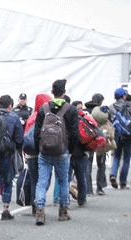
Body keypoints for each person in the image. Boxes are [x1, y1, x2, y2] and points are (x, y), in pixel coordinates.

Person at [33, 79, 79, 225]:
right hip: (62, 151)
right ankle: (63, 211)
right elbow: (74, 133)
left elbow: (36, 132)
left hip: (45, 152)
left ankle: (40, 210)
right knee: (63, 180)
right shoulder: (71, 110)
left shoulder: (43, 109)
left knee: (41, 182)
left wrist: (38, 148)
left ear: (52, 92)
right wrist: (70, 149)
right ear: (64, 92)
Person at [0, 95, 24, 220]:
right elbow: (20, 139)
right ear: (10, 106)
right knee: (7, 181)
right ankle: (5, 209)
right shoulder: (14, 118)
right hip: (7, 154)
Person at [24, 93, 52, 214]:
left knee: (35, 178)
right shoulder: (48, 117)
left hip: (30, 153)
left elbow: (25, 135)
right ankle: (39, 201)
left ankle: (34, 204)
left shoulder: (31, 117)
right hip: (44, 152)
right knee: (45, 179)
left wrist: (25, 153)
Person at [109, 88, 131, 190]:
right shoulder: (129, 106)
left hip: (116, 134)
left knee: (116, 156)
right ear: (124, 96)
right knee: (126, 158)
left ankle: (113, 174)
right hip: (127, 135)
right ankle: (123, 182)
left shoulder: (111, 107)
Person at [84, 93, 105, 195]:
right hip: (99, 139)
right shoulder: (101, 111)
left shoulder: (85, 111)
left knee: (88, 164)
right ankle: (100, 187)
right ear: (100, 101)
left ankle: (89, 190)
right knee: (101, 164)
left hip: (89, 139)